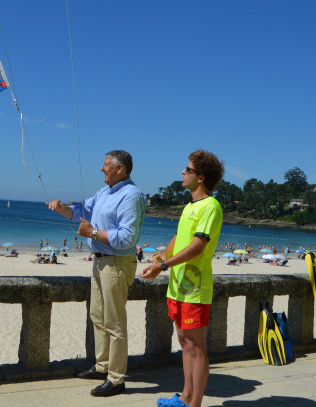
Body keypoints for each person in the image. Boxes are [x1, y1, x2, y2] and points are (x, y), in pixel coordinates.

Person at [47, 150, 145, 397]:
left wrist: (92, 233)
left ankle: (116, 378)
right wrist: (62, 209)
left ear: (120, 169)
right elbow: (82, 212)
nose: (101, 169)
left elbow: (127, 239)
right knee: (98, 317)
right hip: (101, 262)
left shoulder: (131, 196)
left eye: (105, 165)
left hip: (117, 263)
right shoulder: (105, 191)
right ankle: (103, 366)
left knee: (114, 322)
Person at [140, 149, 225, 407]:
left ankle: (194, 403)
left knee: (196, 347)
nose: (182, 172)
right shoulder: (190, 206)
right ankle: (186, 396)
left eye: (187, 169)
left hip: (195, 288)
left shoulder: (210, 206)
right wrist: (160, 255)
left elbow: (198, 245)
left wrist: (163, 265)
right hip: (178, 286)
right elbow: (180, 238)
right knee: (184, 342)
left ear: (200, 177)